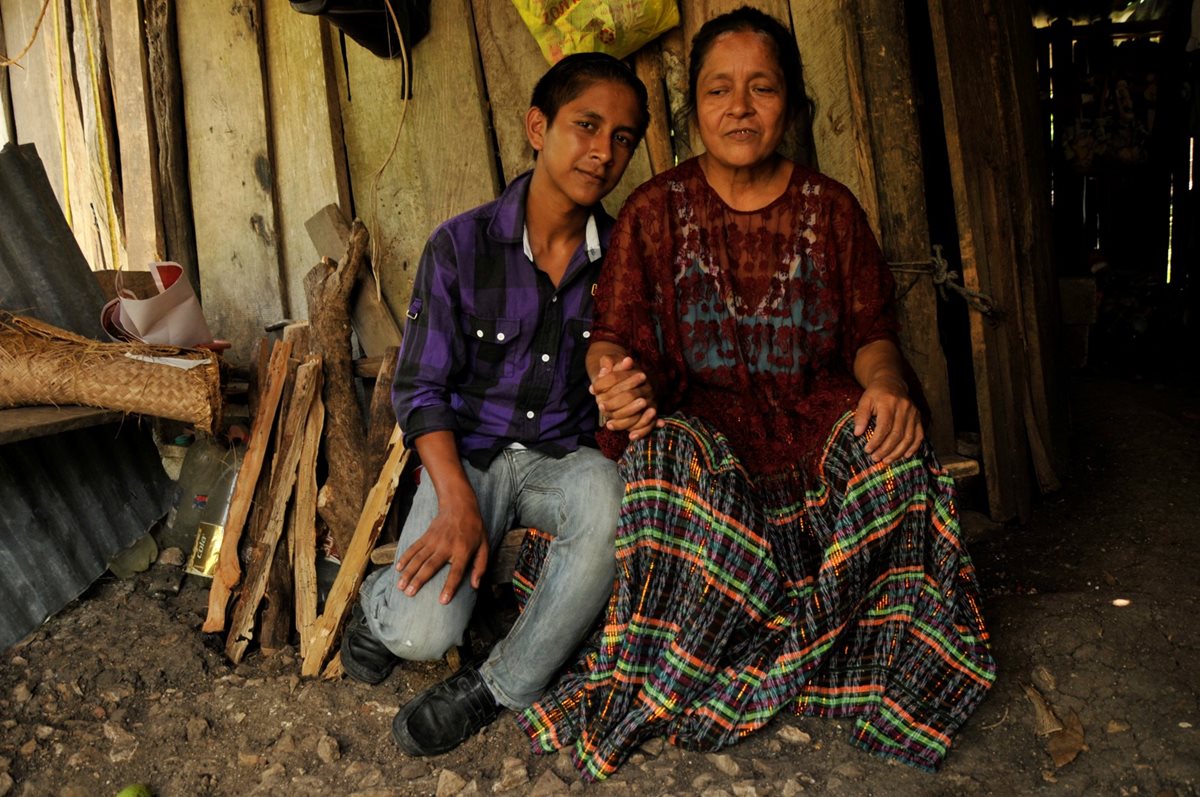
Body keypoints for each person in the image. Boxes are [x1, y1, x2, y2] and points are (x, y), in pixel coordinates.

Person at [515, 6, 997, 781]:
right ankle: (706, 650)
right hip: (702, 430)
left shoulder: (833, 209)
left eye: (762, 88)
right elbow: (614, 335)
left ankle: (853, 656)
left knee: (896, 460)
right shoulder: (652, 211)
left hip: (810, 417)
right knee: (661, 456)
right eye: (719, 90)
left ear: (792, 105)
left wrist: (886, 388)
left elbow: (873, 332)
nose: (740, 107)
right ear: (694, 108)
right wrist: (614, 380)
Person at [339, 52, 651, 758]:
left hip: (557, 460)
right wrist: (453, 499)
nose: (604, 152)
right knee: (422, 631)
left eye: (624, 138)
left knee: (610, 497)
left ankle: (499, 684)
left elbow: (640, 366)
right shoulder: (460, 245)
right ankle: (379, 606)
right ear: (538, 127)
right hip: (468, 459)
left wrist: (632, 391)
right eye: (587, 125)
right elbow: (419, 390)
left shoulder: (626, 257)